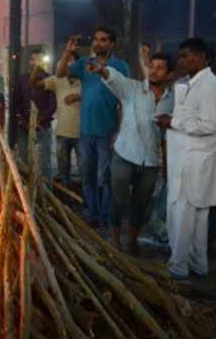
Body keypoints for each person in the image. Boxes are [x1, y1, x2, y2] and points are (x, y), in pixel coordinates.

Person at [88, 52, 174, 254]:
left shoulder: (173, 99)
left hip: (151, 161)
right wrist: (102, 69)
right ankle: (115, 242)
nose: (154, 70)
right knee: (117, 201)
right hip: (124, 155)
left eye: (160, 67)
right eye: (151, 66)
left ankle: (133, 241)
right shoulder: (133, 89)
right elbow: (115, 77)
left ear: (169, 74)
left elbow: (168, 136)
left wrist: (167, 165)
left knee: (141, 204)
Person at [155, 38, 216, 280]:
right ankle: (197, 266)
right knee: (195, 219)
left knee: (183, 217)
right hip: (190, 161)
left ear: (203, 56)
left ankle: (177, 268)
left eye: (187, 56)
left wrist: (172, 122)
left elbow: (210, 124)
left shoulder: (208, 85)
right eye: (181, 56)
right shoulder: (195, 83)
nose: (182, 61)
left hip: (193, 163)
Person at [57, 28, 131, 228]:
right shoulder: (84, 64)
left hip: (108, 133)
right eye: (96, 39)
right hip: (86, 132)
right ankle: (92, 213)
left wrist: (119, 131)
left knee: (106, 178)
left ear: (111, 44)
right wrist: (67, 51)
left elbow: (126, 99)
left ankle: (105, 218)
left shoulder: (120, 66)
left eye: (104, 40)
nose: (98, 43)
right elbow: (60, 73)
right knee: (87, 176)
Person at [31, 51, 82, 187]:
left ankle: (84, 202)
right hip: (62, 134)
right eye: (65, 61)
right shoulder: (57, 80)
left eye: (70, 61)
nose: (67, 64)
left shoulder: (86, 81)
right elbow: (35, 83)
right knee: (63, 171)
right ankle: (66, 198)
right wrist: (38, 66)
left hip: (83, 135)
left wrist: (79, 97)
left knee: (85, 171)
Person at [14, 49, 56, 178]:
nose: (35, 63)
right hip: (23, 128)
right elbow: (16, 101)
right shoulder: (22, 79)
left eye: (39, 60)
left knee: (44, 163)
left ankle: (46, 193)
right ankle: (26, 191)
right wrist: (22, 121)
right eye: (33, 59)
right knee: (24, 161)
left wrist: (40, 121)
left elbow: (53, 105)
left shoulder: (50, 79)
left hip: (42, 128)